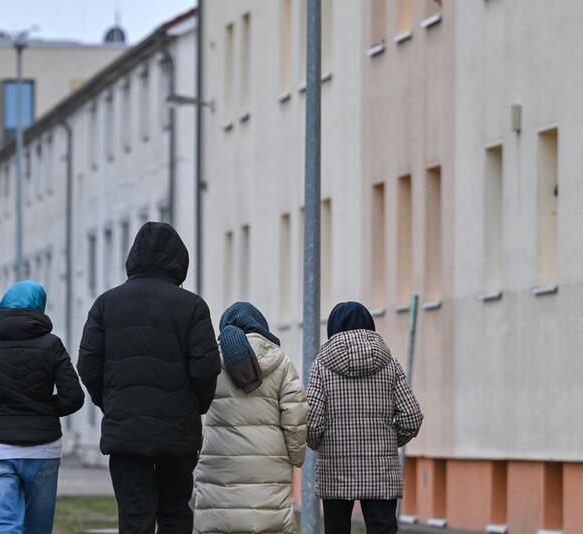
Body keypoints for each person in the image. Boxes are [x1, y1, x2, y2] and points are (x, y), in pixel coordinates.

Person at [78, 222, 221, 534]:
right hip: (177, 432)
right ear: (179, 260)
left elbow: (88, 363)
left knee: (134, 517)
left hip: (126, 432)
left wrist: (111, 401)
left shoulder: (106, 304)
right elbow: (206, 366)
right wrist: (193, 405)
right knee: (174, 514)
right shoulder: (192, 306)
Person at [0, 280, 84, 534]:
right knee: (39, 527)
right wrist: (45, 409)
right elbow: (74, 397)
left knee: (8, 525)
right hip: (43, 447)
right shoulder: (51, 344)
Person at [306, 301, 424, 534]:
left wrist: (320, 442)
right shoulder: (389, 362)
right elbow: (411, 416)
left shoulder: (321, 365)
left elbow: (311, 422)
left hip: (335, 469)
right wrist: (388, 440)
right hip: (381, 472)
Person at [194, 302, 307, 534]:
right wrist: (296, 456)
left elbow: (192, 407)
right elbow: (295, 414)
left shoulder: (211, 360)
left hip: (219, 464)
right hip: (269, 466)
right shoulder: (281, 362)